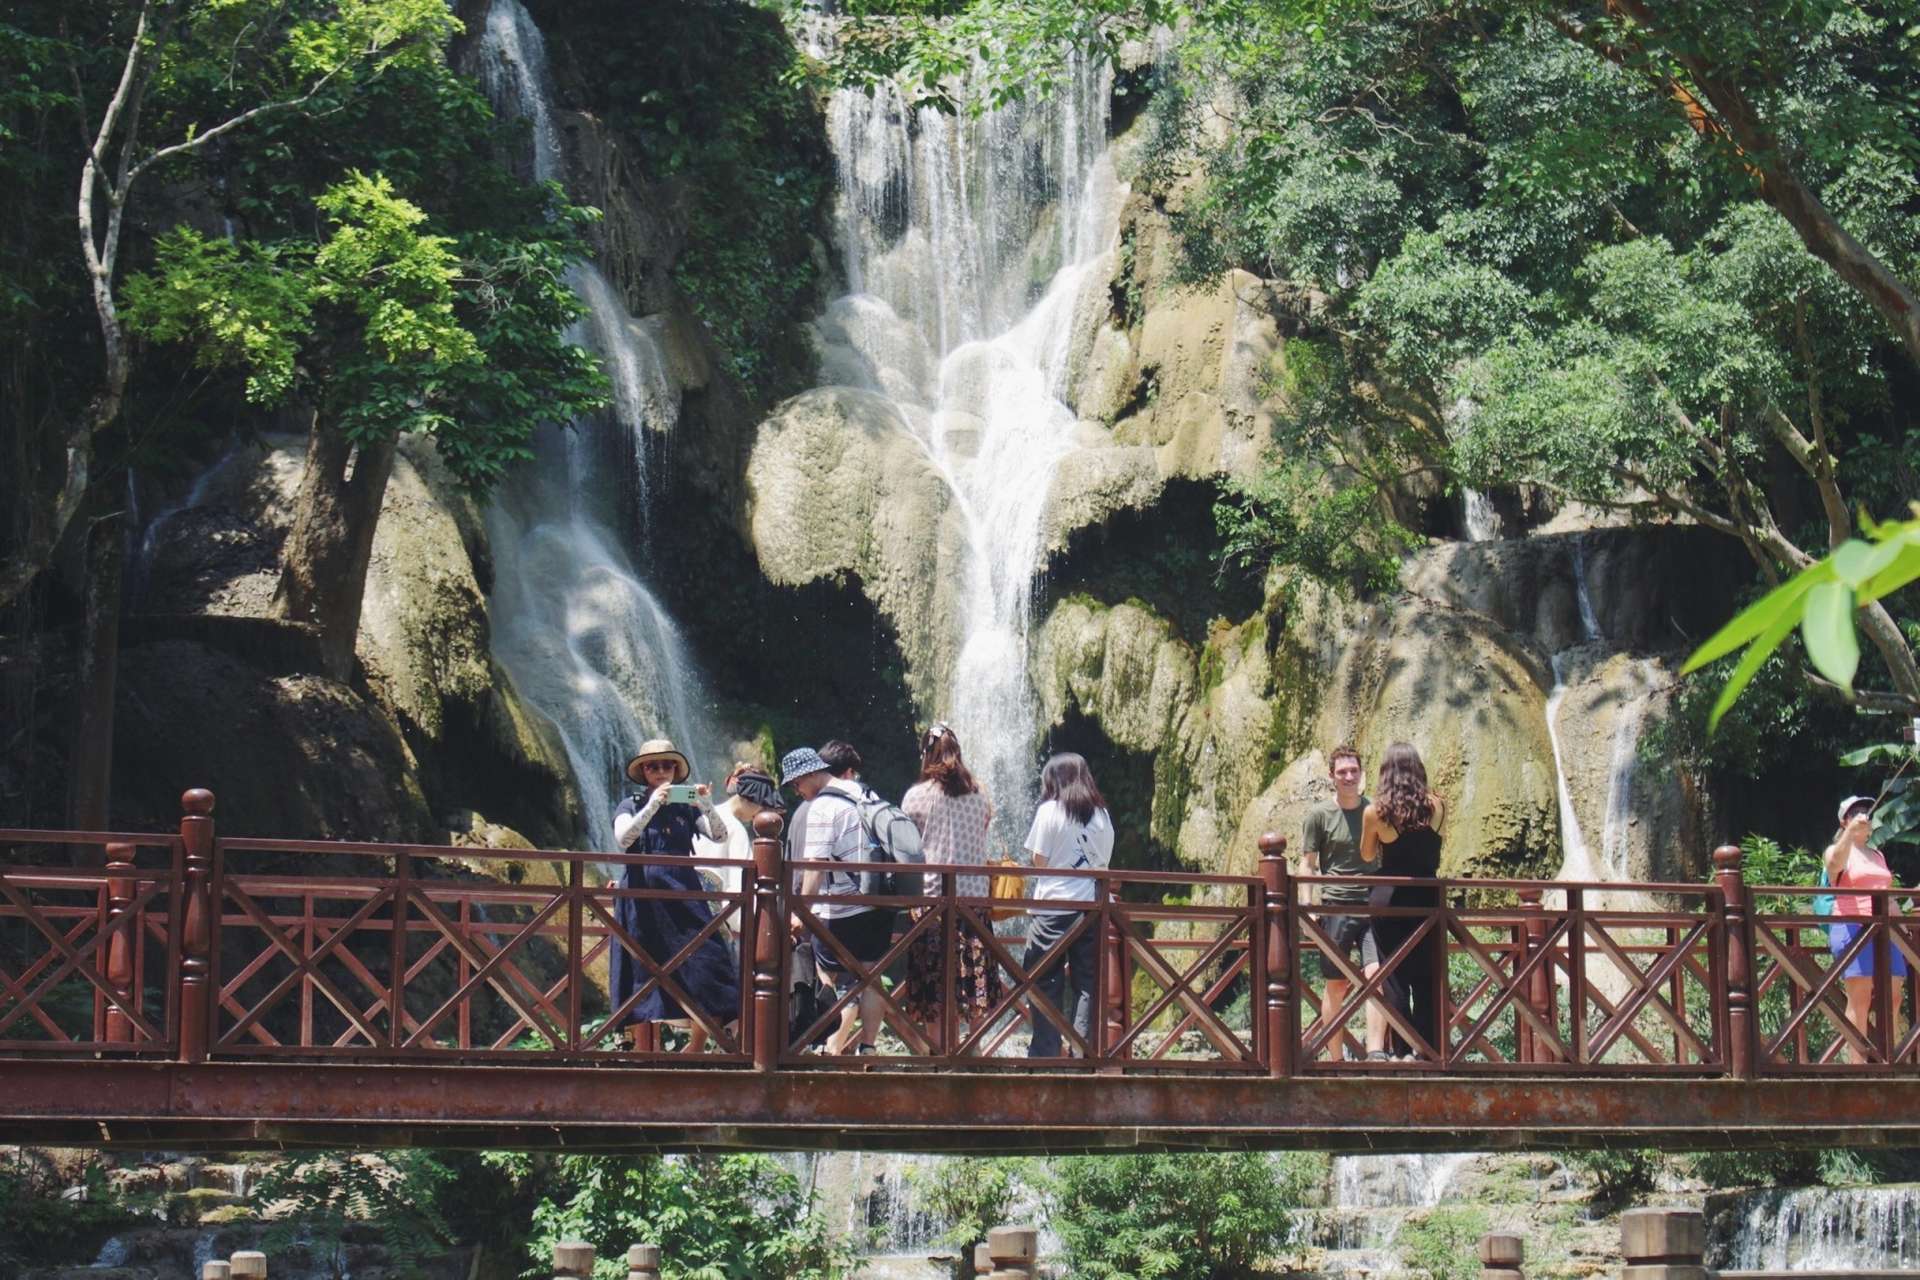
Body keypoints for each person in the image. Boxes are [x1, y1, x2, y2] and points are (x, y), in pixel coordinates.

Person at [608, 739, 740, 1054]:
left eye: (667, 765)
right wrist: (654, 804)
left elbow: (720, 834)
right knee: (641, 970)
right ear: (643, 771)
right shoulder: (631, 804)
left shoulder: (684, 806)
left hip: (684, 895)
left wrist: (705, 804)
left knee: (709, 962)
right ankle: (641, 1054)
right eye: (653, 766)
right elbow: (623, 840)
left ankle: (695, 1047)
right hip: (641, 899)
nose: (661, 771)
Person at [782, 745, 893, 1056]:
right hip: (879, 900)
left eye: (796, 783)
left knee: (824, 974)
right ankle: (868, 1048)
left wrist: (801, 911)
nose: (796, 790)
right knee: (870, 977)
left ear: (812, 774)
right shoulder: (865, 792)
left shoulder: (822, 806)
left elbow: (815, 866)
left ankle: (820, 1044)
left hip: (841, 907)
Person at [900, 723, 1002, 1052]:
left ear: (925, 755)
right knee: (975, 977)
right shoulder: (979, 796)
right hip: (972, 898)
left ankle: (937, 1047)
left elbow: (905, 843)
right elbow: (983, 830)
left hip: (931, 901)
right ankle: (973, 1046)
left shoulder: (915, 797)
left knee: (934, 979)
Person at [1358, 742, 1447, 1061]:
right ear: (1418, 770)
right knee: (1427, 974)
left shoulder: (1376, 812)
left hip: (1389, 899)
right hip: (1428, 896)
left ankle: (1402, 1049)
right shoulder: (1437, 806)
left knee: (1393, 974)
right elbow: (1433, 851)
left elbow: (1367, 855)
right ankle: (1428, 1050)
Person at [1022, 752, 1114, 1058]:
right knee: (1087, 981)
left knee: (1042, 977)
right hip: (1090, 906)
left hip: (1053, 906)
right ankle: (1083, 1050)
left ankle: (1046, 1051)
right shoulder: (1101, 815)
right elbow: (1104, 861)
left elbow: (1039, 860)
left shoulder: (1049, 811)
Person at [1301, 745, 1382, 1059]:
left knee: (1376, 978)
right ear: (1332, 777)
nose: (1349, 777)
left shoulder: (1375, 811)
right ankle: (1336, 1058)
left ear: (1361, 774)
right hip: (1335, 907)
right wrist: (1307, 911)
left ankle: (1374, 1052)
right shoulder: (1319, 815)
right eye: (1342, 772)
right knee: (1336, 985)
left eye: (1353, 771)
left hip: (1372, 908)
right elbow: (1307, 863)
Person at [1825, 793, 1907, 1055]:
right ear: (1843, 821)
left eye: (1866, 812)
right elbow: (1834, 864)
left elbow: (1885, 891)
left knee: (1894, 996)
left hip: (1886, 928)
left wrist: (1902, 926)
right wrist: (1849, 834)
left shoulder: (1878, 855)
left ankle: (1888, 1059)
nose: (1863, 816)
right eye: (1855, 812)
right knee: (1860, 1000)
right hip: (1853, 927)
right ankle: (1858, 1066)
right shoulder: (1837, 850)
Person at [692, 763, 785, 897]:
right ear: (750, 798)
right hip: (720, 908)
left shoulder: (703, 815)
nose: (760, 813)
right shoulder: (736, 829)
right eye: (763, 806)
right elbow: (739, 883)